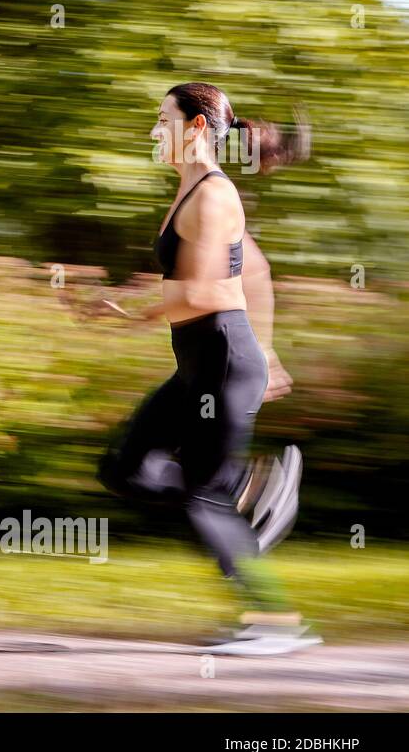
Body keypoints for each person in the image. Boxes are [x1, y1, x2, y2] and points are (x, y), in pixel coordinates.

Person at [95, 82, 319, 655]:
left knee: (203, 498)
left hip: (220, 363)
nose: (152, 130)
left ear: (195, 127)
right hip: (199, 366)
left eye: (162, 119)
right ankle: (248, 488)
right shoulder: (190, 190)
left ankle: (276, 623)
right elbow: (255, 271)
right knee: (128, 469)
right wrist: (267, 350)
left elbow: (197, 293)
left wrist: (125, 314)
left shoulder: (214, 196)